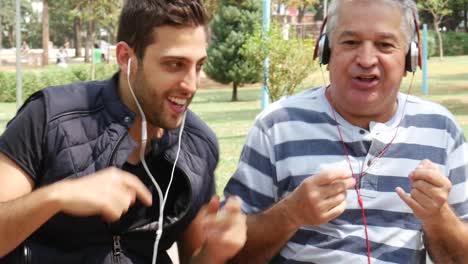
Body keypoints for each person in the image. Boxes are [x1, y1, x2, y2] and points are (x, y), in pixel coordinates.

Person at [0, 1, 246, 264]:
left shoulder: (199, 144)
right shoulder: (50, 117)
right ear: (126, 58)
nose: (191, 84)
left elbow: (192, 259)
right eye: (175, 64)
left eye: (198, 66)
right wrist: (57, 197)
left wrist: (213, 253)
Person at [224, 0, 468, 263]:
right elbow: (228, 254)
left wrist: (438, 216)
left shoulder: (441, 130)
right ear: (326, 50)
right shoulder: (276, 125)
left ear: (410, 56)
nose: (365, 60)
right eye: (350, 42)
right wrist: (290, 214)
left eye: (384, 45)